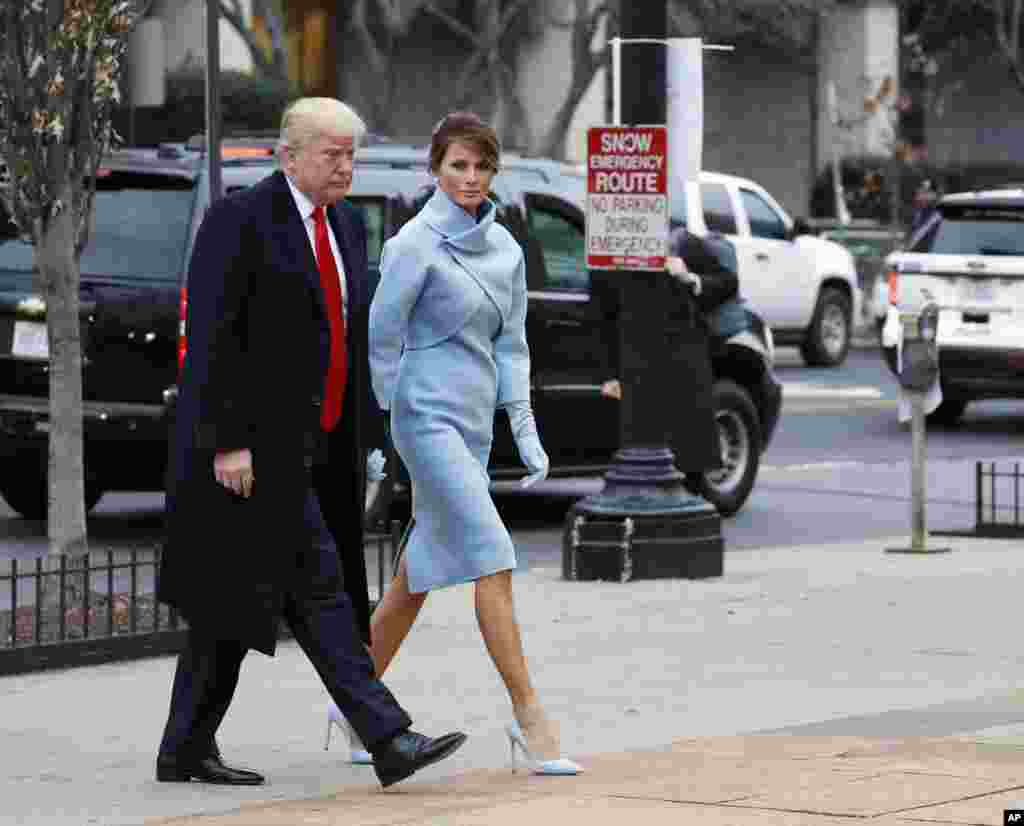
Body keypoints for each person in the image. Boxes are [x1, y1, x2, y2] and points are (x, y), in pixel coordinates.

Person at [155, 98, 467, 789]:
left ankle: (183, 747)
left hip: (322, 448)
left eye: (351, 155)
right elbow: (212, 340)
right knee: (321, 589)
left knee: (227, 610)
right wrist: (227, 443)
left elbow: (347, 338)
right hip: (255, 454)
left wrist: (369, 444)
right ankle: (389, 737)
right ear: (288, 155)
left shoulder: (348, 228)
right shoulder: (239, 222)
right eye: (332, 155)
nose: (345, 167)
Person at [328, 112, 581, 776]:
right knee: (491, 557)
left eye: (480, 166)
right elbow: (381, 340)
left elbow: (514, 345)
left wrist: (524, 431)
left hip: (470, 424)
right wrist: (383, 431)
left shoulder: (506, 251)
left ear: (494, 172)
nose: (469, 178)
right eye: (456, 166)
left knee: (414, 576)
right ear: (436, 170)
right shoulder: (415, 243)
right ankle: (532, 720)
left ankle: (356, 705)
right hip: (423, 417)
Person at [598, 226, 739, 478]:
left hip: (682, 359)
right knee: (644, 451)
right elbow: (606, 314)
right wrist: (611, 373)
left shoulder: (679, 241)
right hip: (638, 360)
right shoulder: (610, 249)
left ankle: (690, 495)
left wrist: (690, 278)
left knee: (687, 452)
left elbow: (728, 281)